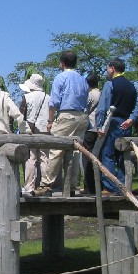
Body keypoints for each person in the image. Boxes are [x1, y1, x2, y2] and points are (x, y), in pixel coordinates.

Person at [34, 51, 89, 197]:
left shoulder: (61, 77)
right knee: (74, 151)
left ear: (62, 63)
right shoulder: (82, 79)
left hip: (67, 115)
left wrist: (50, 121)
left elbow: (54, 103)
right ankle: (70, 185)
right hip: (82, 116)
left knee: (56, 149)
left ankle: (46, 185)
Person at [96, 58, 138, 195]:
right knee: (123, 155)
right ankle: (124, 184)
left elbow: (102, 108)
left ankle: (111, 186)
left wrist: (100, 125)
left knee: (108, 154)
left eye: (107, 68)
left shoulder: (110, 84)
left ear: (112, 68)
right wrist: (132, 119)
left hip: (112, 122)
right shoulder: (132, 85)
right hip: (126, 124)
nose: (106, 71)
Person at [18, 73, 49, 196]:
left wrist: (25, 130)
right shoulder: (48, 97)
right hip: (46, 129)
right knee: (45, 158)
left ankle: (29, 186)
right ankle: (45, 186)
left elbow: (24, 115)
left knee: (31, 158)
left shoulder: (28, 97)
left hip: (32, 129)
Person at [81, 73, 101, 194]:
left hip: (90, 128)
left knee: (87, 158)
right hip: (98, 129)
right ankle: (96, 186)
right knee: (97, 157)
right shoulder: (102, 93)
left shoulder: (90, 95)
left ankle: (89, 187)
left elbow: (84, 108)